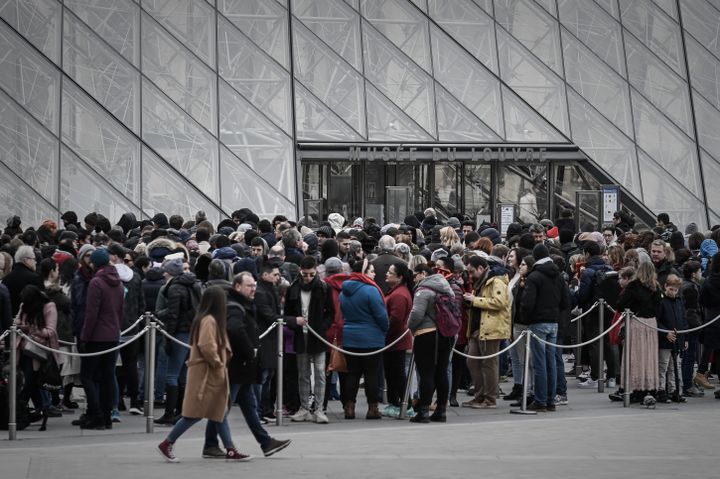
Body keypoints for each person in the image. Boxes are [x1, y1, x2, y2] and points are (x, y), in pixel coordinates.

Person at [202, 274, 292, 459]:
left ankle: (264, 442)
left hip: (241, 366)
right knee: (222, 408)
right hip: (237, 365)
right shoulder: (236, 306)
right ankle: (179, 442)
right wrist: (249, 350)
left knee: (248, 405)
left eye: (254, 285)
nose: (253, 289)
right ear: (237, 286)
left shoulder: (241, 303)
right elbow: (234, 329)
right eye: (249, 286)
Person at [157, 286, 251, 463]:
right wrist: (218, 363)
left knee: (219, 411)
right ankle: (167, 442)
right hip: (207, 373)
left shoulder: (206, 318)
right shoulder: (209, 320)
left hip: (208, 372)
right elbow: (207, 346)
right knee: (196, 414)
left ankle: (230, 448)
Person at [519, 244, 570, 412]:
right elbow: (565, 301)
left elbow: (528, 303)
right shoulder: (558, 275)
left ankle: (540, 400)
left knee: (540, 363)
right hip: (553, 322)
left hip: (538, 322)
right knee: (551, 362)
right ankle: (550, 399)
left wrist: (526, 319)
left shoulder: (534, 276)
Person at [284, 256, 335, 424]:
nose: (308, 278)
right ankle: (304, 408)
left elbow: (331, 312)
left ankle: (319, 409)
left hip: (317, 335)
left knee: (320, 373)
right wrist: (294, 323)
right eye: (305, 274)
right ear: (300, 271)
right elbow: (288, 313)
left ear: (316, 271)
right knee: (303, 374)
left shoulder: (323, 287)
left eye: (311, 274)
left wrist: (323, 327)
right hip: (301, 334)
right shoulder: (294, 288)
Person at [79, 248, 125, 429]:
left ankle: (97, 414)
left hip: (97, 335)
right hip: (113, 334)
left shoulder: (96, 282)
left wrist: (85, 336)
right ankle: (106, 416)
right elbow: (120, 310)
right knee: (107, 375)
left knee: (87, 376)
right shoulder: (119, 282)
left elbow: (91, 313)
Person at [154, 257, 201, 425]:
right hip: (192, 331)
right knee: (182, 374)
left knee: (172, 375)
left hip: (180, 332)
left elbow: (174, 314)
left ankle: (170, 413)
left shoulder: (175, 288)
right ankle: (181, 411)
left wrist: (168, 337)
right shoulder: (194, 284)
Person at [339, 259, 388, 420]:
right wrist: (385, 328)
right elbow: (381, 316)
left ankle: (349, 407)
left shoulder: (344, 290)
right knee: (371, 374)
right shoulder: (371, 290)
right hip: (371, 337)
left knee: (352, 373)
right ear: (364, 272)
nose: (374, 274)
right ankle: (372, 408)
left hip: (350, 336)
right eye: (372, 270)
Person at [462, 255, 511, 410]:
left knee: (489, 364)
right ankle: (479, 396)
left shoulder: (496, 280)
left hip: (490, 328)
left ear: (481, 269)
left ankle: (490, 399)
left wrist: (474, 300)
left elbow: (499, 302)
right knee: (473, 361)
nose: (470, 276)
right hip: (478, 328)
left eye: (471, 272)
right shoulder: (481, 280)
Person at [408, 263, 454, 423]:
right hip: (446, 334)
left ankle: (423, 411)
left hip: (426, 334)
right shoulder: (446, 287)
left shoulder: (423, 290)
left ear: (422, 274)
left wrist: (409, 326)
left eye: (415, 275)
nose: (414, 279)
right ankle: (441, 410)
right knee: (441, 372)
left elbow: (416, 314)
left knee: (426, 372)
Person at [616, 261, 662, 403]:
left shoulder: (633, 286)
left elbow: (620, 305)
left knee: (635, 356)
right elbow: (658, 309)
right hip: (651, 324)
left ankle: (635, 388)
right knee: (649, 357)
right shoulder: (656, 286)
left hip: (637, 322)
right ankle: (649, 387)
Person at [14, 285, 60, 418]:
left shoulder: (49, 307)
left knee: (29, 381)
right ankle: (41, 408)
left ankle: (19, 409)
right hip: (22, 348)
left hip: (37, 351)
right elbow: (18, 319)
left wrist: (32, 329)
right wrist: (19, 325)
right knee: (30, 381)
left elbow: (50, 331)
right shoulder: (25, 305)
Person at [381, 262, 413, 417]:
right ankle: (395, 403)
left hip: (395, 340)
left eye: (390, 272)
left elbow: (395, 319)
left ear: (399, 277)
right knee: (392, 373)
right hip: (393, 340)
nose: (387, 274)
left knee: (397, 374)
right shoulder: (397, 291)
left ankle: (406, 404)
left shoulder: (399, 294)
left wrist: (384, 334)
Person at [656, 274, 687, 404]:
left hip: (677, 339)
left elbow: (683, 320)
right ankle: (661, 390)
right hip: (665, 339)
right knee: (663, 366)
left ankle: (673, 390)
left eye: (675, 290)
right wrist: (665, 333)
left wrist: (684, 338)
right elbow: (657, 320)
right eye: (671, 289)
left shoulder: (679, 301)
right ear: (665, 287)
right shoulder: (661, 301)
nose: (673, 292)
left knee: (674, 367)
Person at [697, 253, 720, 394]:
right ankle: (701, 372)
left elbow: (702, 300)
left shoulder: (709, 280)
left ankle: (701, 372)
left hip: (711, 315)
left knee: (710, 347)